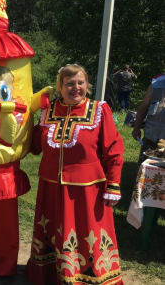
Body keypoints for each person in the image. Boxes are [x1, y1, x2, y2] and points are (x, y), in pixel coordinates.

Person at [26, 64, 124, 284]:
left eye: (80, 83)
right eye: (69, 83)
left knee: (86, 233)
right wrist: (28, 114)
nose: (76, 88)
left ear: (87, 85)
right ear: (60, 87)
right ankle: (53, 275)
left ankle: (87, 277)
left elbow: (114, 149)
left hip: (87, 191)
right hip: (51, 189)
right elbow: (33, 147)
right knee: (53, 232)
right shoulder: (48, 111)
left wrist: (114, 184)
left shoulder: (99, 110)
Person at [132, 72, 165, 164]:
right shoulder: (156, 85)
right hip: (151, 139)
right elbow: (143, 107)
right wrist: (136, 128)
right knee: (145, 172)